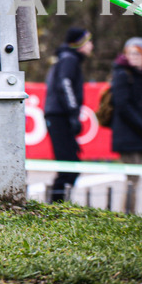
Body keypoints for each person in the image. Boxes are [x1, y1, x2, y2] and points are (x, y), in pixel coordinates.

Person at [44, 27, 93, 202]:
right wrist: (73, 113)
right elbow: (64, 85)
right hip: (59, 116)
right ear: (79, 44)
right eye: (88, 41)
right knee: (69, 167)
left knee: (70, 166)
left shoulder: (65, 59)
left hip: (59, 115)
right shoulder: (69, 60)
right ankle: (56, 206)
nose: (91, 46)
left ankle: (58, 203)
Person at [109, 37, 142, 214]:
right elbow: (122, 105)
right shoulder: (123, 75)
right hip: (128, 134)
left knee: (135, 178)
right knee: (132, 178)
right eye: (130, 53)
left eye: (138, 53)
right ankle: (128, 214)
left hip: (140, 135)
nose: (134, 57)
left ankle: (130, 213)